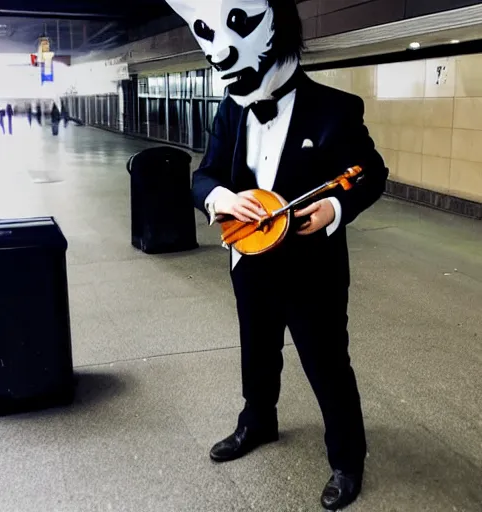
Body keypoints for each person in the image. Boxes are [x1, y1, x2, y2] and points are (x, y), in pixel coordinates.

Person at [164, 0, 389, 509]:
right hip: (250, 262)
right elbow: (205, 175)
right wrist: (222, 198)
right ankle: (257, 422)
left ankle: (347, 460)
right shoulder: (231, 107)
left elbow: (371, 172)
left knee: (328, 365)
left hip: (313, 270)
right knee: (257, 353)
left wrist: (333, 207)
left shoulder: (336, 108)